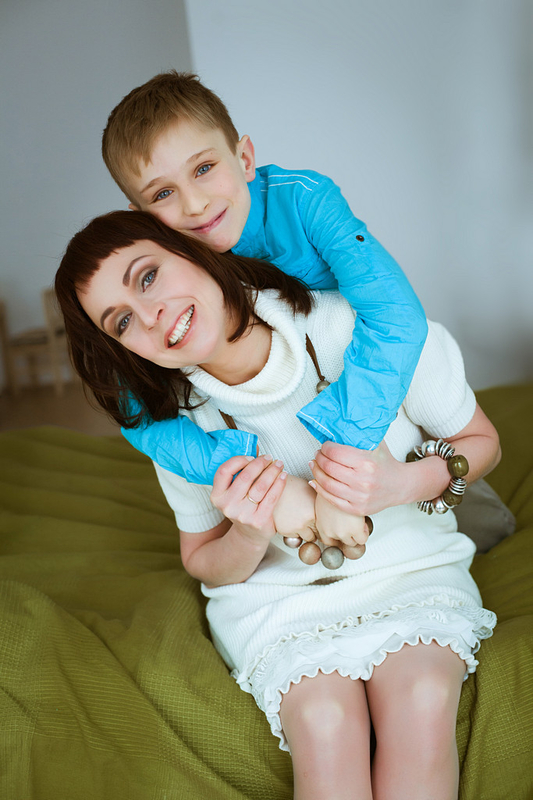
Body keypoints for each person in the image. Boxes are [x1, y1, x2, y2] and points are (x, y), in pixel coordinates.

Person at [56, 210, 499, 800]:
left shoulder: (357, 329)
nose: (151, 314)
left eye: (148, 277)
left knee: (422, 697)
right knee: (324, 721)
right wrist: (247, 530)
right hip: (277, 606)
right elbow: (201, 560)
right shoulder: (175, 424)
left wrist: (402, 484)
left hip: (412, 572)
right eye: (123, 322)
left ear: (191, 247)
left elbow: (481, 442)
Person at [101, 70, 428, 488]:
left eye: (204, 168)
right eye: (163, 194)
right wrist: (238, 468)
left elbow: (396, 315)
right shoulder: (169, 269)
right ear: (142, 220)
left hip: (394, 397)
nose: (195, 205)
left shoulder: (307, 200)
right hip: (280, 436)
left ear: (244, 159)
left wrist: (344, 449)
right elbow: (135, 411)